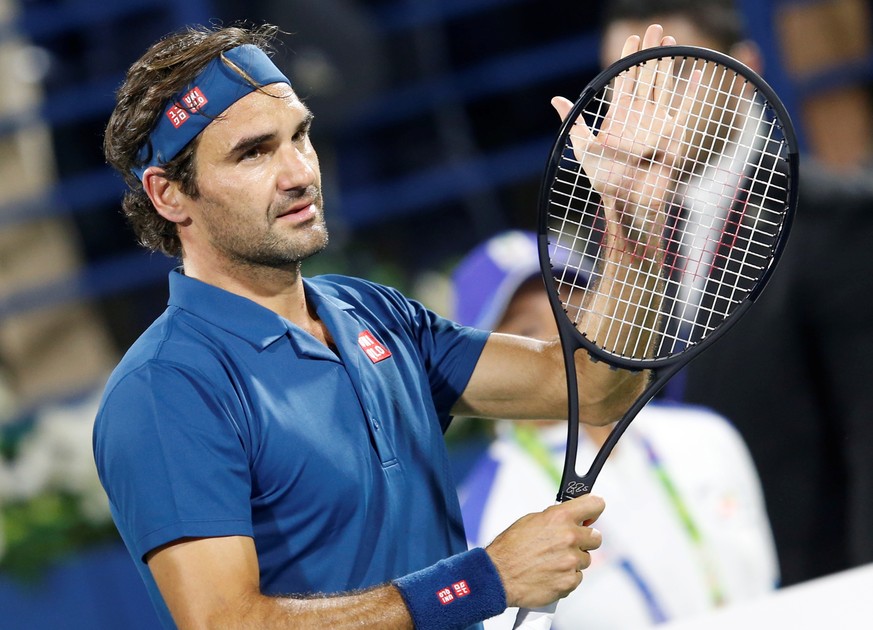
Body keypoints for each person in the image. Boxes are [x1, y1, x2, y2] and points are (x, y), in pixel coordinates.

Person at [93, 21, 704, 630]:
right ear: (169, 195)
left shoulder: (376, 314)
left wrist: (634, 220)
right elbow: (225, 624)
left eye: (300, 136)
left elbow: (593, 388)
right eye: (253, 152)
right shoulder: (165, 388)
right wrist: (482, 580)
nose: (299, 172)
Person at [601, 0, 873, 586]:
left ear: (747, 68)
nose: (647, 105)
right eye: (627, 80)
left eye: (670, 71)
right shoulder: (629, 245)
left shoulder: (838, 219)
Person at [451, 230, 779, 628]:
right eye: (527, 330)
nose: (562, 335)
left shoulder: (707, 435)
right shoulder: (482, 520)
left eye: (572, 305)